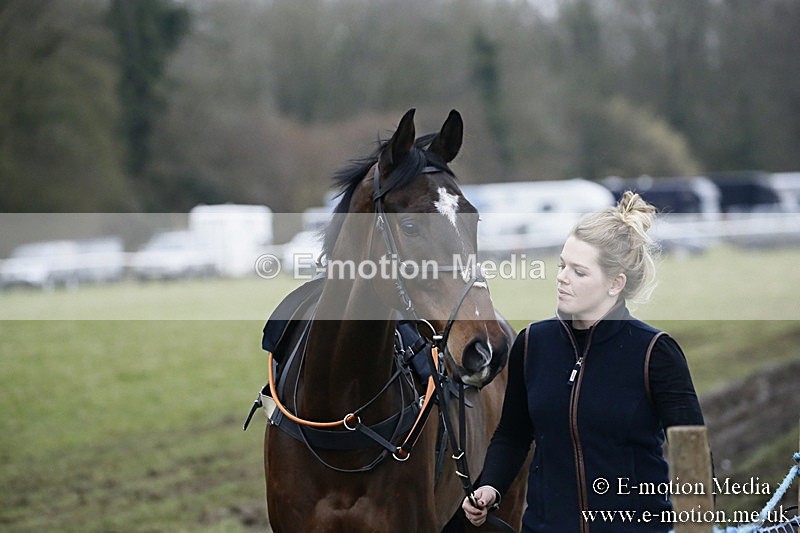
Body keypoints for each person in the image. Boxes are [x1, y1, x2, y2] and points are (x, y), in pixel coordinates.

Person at [462, 191, 705, 532]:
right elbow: (513, 434)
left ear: (614, 284)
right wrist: (490, 485)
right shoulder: (532, 344)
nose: (562, 277)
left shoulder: (655, 352)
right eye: (562, 265)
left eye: (578, 271)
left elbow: (691, 455)